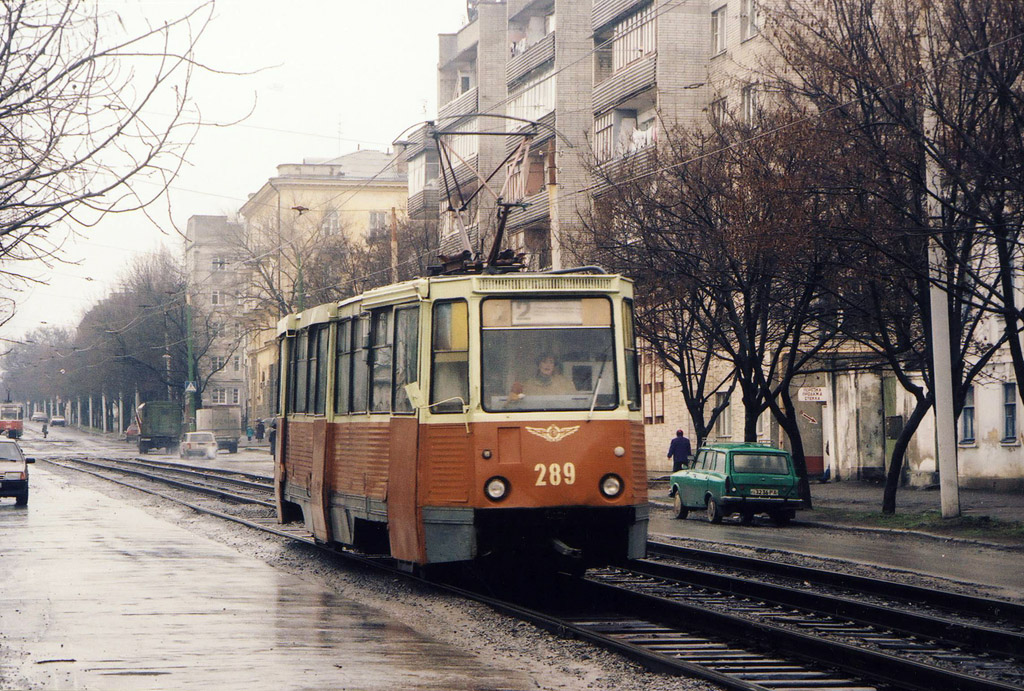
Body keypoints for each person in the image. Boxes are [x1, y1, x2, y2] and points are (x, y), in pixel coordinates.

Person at [511, 353, 575, 399]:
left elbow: (573, 400)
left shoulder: (564, 383)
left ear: (554, 366)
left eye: (551, 362)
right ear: (539, 365)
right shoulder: (528, 384)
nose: (548, 365)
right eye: (544, 362)